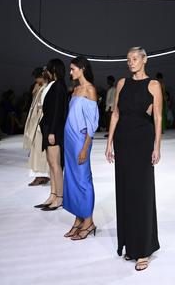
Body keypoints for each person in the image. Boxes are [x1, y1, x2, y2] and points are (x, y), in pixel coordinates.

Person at [105, 47, 162, 272]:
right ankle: (130, 242)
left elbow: (157, 117)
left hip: (142, 143)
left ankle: (144, 249)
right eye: (128, 59)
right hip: (123, 143)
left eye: (135, 58)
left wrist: (157, 146)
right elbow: (116, 114)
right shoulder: (122, 83)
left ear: (144, 60)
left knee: (142, 194)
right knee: (126, 193)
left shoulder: (154, 85)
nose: (131, 62)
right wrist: (109, 142)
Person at [63, 56, 99, 241]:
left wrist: (85, 147)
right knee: (72, 179)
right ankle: (78, 218)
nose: (71, 72)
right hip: (69, 141)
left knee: (83, 179)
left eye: (73, 69)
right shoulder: (75, 89)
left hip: (80, 141)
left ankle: (89, 221)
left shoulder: (90, 90)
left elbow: (92, 123)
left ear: (82, 68)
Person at [35, 59, 68, 211]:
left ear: (53, 69)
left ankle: (59, 198)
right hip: (48, 128)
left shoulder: (59, 86)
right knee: (51, 164)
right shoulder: (51, 85)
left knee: (56, 165)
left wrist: (53, 131)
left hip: (54, 130)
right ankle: (53, 195)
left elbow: (57, 111)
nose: (45, 71)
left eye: (47, 69)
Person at [23, 67, 50, 186]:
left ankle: (40, 175)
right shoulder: (40, 87)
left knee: (39, 150)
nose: (35, 80)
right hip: (36, 120)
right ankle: (41, 175)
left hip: (40, 122)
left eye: (37, 77)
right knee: (37, 150)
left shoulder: (46, 87)